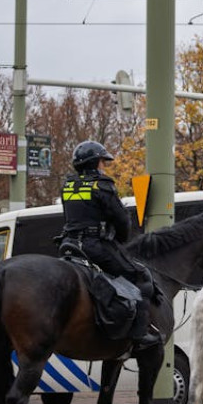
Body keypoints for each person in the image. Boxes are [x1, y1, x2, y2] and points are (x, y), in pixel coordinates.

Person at [59, 140, 162, 353]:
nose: (103, 166)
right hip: (95, 247)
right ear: (95, 162)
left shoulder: (68, 185)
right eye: (102, 162)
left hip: (68, 244)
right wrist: (122, 239)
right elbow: (121, 221)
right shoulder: (103, 185)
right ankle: (140, 334)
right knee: (140, 277)